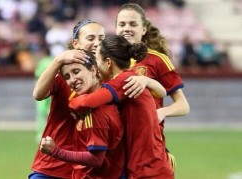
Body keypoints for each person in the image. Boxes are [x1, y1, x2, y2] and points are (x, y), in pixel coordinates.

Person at [69, 35, 173, 179]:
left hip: (147, 169)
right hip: (150, 165)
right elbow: (161, 92)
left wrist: (71, 104)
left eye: (97, 60)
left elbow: (85, 102)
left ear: (108, 62)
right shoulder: (131, 78)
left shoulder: (122, 81)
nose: (96, 67)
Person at [29, 19, 106, 179]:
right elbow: (38, 94)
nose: (97, 43)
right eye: (91, 38)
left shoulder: (110, 78)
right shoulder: (65, 76)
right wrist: (58, 60)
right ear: (75, 44)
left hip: (89, 170)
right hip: (52, 166)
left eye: (101, 39)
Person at [116, 3, 190, 152]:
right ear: (116, 28)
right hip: (116, 148)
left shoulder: (157, 59)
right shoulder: (108, 61)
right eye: (122, 24)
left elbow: (183, 105)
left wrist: (161, 112)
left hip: (148, 147)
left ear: (143, 29)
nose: (127, 28)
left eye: (133, 24)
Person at [40, 51, 124, 179]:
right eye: (67, 76)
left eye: (76, 71)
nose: (72, 80)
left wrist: (55, 151)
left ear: (93, 70)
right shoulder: (88, 105)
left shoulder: (96, 111)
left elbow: (96, 159)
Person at [34, 47, 53, 142]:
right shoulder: (53, 61)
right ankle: (51, 133)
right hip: (52, 90)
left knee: (41, 113)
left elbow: (38, 74)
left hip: (43, 90)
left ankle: (41, 134)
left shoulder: (42, 63)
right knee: (50, 112)